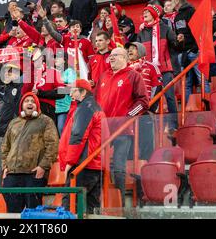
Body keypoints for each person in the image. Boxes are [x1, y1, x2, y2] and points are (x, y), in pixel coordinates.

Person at [94, 48, 149, 206]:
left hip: (122, 129)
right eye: (110, 56)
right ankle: (97, 200)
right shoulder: (103, 76)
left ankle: (119, 203)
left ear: (125, 58)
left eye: (115, 55)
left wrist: (128, 117)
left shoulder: (133, 76)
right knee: (96, 164)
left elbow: (144, 101)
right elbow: (95, 101)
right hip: (102, 128)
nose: (111, 58)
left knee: (118, 166)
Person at [1, 92, 59, 213]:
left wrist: (43, 167)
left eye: (32, 101)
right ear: (22, 106)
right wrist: (5, 167)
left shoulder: (46, 121)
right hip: (12, 174)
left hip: (33, 174)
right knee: (12, 213)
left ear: (37, 106)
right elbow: (5, 147)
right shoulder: (14, 123)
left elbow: (52, 145)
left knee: (34, 213)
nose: (29, 103)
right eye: (26, 101)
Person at [59, 79, 105, 214]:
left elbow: (78, 136)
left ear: (83, 92)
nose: (70, 95)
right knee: (91, 209)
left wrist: (70, 162)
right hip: (93, 165)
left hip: (83, 166)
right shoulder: (94, 107)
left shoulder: (85, 107)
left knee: (71, 208)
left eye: (73, 91)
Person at [137, 4, 179, 133]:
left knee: (169, 96)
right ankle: (147, 124)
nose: (144, 15)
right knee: (150, 98)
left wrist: (179, 40)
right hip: (149, 71)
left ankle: (173, 124)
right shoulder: (142, 31)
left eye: (147, 13)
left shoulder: (165, 28)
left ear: (154, 14)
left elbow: (175, 45)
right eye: (143, 13)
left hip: (165, 68)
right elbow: (139, 50)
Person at [171, 0, 210, 102]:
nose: (171, 3)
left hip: (194, 52)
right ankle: (188, 108)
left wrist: (195, 48)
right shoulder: (177, 15)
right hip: (183, 53)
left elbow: (199, 31)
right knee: (186, 83)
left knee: (202, 79)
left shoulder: (191, 11)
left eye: (172, 0)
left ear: (177, 1)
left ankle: (207, 107)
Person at [126, 42, 162, 160]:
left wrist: (151, 108)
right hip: (128, 112)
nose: (130, 51)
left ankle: (147, 166)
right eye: (128, 49)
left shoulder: (151, 66)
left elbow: (157, 87)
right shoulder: (124, 68)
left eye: (133, 49)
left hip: (145, 111)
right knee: (128, 143)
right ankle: (130, 169)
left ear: (141, 50)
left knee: (146, 142)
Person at [55, 51, 76, 136]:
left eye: (57, 58)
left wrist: (56, 91)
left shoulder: (69, 71)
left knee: (62, 129)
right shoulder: (53, 72)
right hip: (53, 107)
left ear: (64, 60)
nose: (55, 59)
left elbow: (71, 89)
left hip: (65, 108)